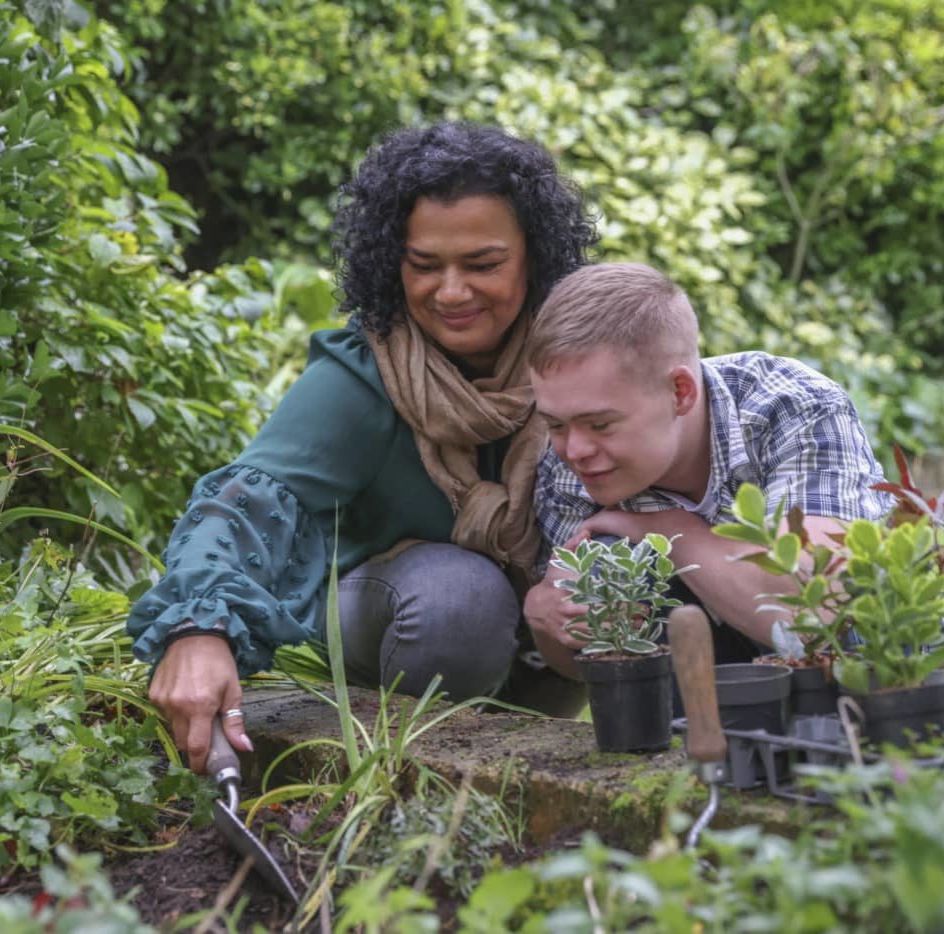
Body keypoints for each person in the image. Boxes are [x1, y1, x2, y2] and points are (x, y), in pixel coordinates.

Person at [127, 122, 600, 773]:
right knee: (458, 595)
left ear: (535, 255)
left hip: (541, 653)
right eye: (424, 265)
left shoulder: (581, 361)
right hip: (402, 621)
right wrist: (198, 626)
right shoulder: (368, 373)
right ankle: (392, 788)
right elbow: (249, 498)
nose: (452, 291)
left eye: (483, 265)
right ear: (390, 260)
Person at [521, 262, 944, 715]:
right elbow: (586, 666)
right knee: (612, 562)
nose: (574, 449)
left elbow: (814, 613)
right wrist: (549, 623)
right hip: (713, 720)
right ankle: (688, 771)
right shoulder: (569, 462)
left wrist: (669, 529)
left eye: (600, 423)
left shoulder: (792, 406)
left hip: (900, 710)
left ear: (679, 392)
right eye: (556, 424)